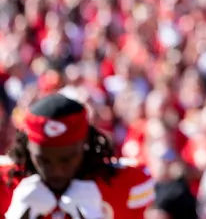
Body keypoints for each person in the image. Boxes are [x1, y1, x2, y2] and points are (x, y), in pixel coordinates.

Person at [0, 93, 155, 218]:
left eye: (67, 159)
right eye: (43, 160)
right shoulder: (4, 182)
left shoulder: (125, 183)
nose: (56, 170)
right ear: (28, 149)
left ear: (85, 144)